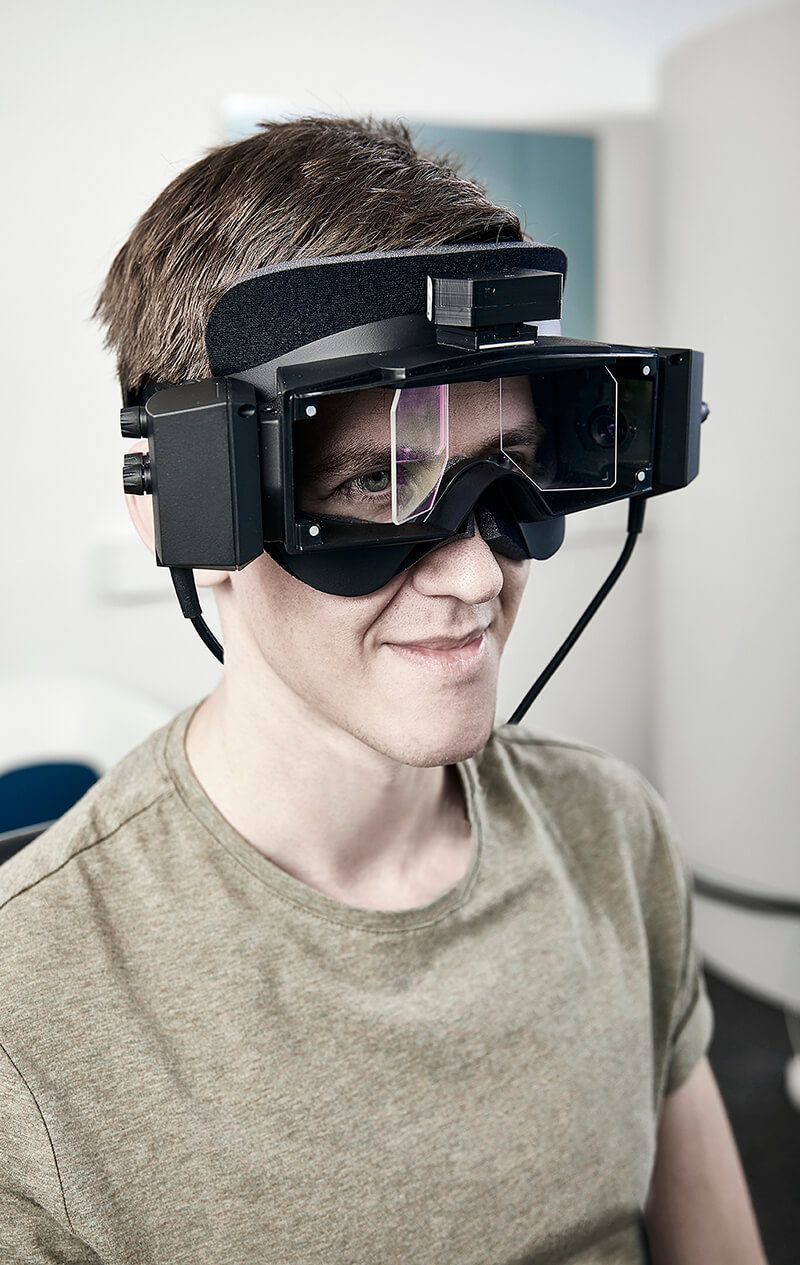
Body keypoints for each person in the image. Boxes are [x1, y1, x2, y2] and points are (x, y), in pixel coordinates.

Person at [0, 117, 766, 1265]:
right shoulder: (31, 1010)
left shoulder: (612, 834)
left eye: (508, 469)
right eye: (374, 479)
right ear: (185, 512)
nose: (477, 575)